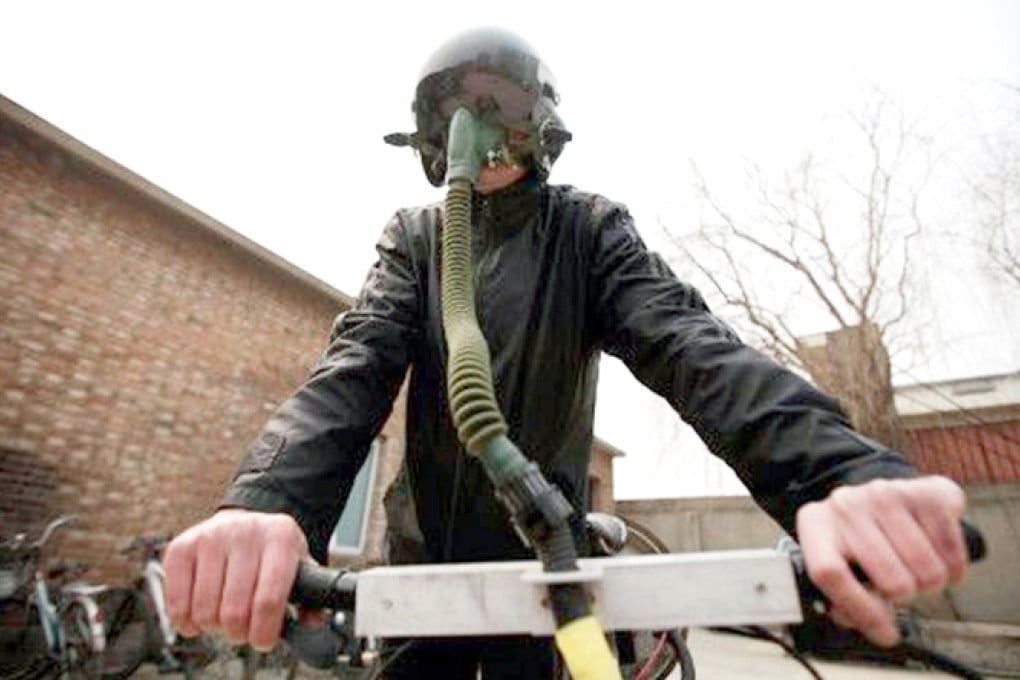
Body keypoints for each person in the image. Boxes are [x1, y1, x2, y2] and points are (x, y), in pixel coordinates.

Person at [163, 27, 970, 678]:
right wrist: (266, 504)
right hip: (420, 580)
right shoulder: (417, 238)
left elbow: (690, 345)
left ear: (543, 124)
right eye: (455, 107)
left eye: (499, 104)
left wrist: (835, 474)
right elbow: (354, 368)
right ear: (432, 133)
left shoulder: (586, 231)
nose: (475, 124)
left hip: (549, 575)